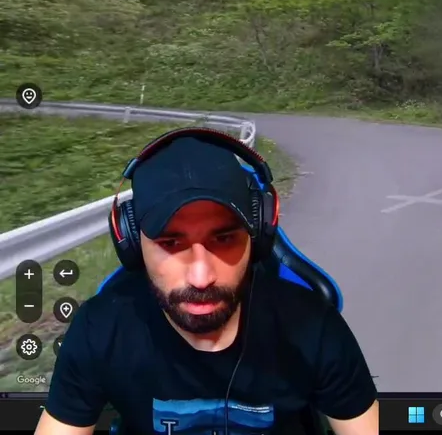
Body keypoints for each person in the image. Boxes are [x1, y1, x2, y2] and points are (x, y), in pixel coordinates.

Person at [36, 130, 379, 435]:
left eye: (224, 239)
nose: (201, 278)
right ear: (132, 242)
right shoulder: (100, 330)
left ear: (258, 236)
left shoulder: (313, 328)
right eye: (171, 243)